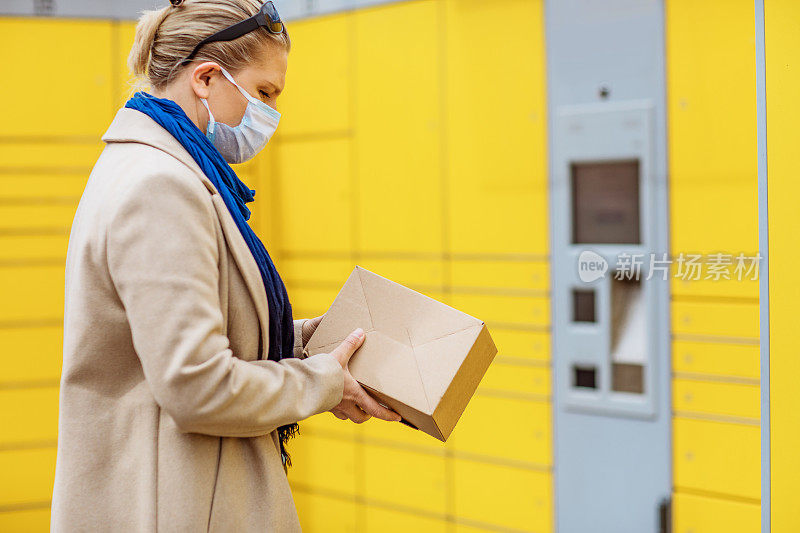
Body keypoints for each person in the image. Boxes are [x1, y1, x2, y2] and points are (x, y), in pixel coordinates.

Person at [50, 1, 401, 530]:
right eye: (264, 93)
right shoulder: (161, 187)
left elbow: (195, 342)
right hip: (174, 504)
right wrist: (322, 383)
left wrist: (316, 343)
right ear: (207, 78)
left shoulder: (158, 168)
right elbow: (197, 385)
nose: (271, 116)